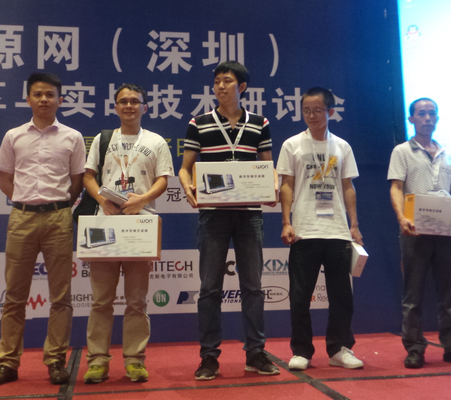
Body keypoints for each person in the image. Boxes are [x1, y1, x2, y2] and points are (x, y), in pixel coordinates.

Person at [178, 61, 280, 380]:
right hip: (213, 215)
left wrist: (273, 187)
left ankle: (255, 353)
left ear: (242, 87)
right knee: (209, 288)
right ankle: (209, 357)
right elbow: (185, 169)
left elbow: (268, 167)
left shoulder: (260, 123)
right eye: (217, 82)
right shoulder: (199, 123)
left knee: (253, 287)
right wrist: (188, 189)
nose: (220, 86)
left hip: (249, 214)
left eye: (227, 81)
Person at [0, 72, 85, 387]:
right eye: (38, 94)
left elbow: (77, 182)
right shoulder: (13, 136)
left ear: (60, 100)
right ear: (28, 99)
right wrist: (27, 201)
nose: (44, 100)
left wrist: (57, 205)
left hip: (58, 219)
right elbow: (5, 180)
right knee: (14, 296)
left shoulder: (73, 137)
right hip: (22, 218)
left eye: (50, 95)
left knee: (61, 296)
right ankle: (8, 363)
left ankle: (56, 360)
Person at [82, 84, 174, 384]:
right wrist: (102, 200)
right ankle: (97, 360)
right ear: (115, 107)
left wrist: (142, 199)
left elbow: (163, 180)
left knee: (137, 300)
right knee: (101, 300)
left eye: (135, 101)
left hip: (139, 225)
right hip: (105, 225)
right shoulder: (103, 139)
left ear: (144, 107)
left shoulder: (156, 141)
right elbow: (88, 176)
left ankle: (135, 360)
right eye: (123, 101)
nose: (129, 106)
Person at [388, 98, 451, 369]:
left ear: (437, 118)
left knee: (449, 294)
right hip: (415, 230)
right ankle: (415, 348)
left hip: (446, 230)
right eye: (421, 113)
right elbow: (396, 188)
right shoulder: (402, 151)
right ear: (411, 119)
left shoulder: (446, 153)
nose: (427, 118)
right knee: (413, 295)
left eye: (432, 113)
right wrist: (401, 217)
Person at [277, 87, 365, 371]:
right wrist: (287, 222)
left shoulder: (342, 146)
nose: (311, 116)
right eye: (306, 111)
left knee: (341, 296)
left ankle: (339, 349)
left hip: (337, 230)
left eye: (317, 110)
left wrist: (354, 225)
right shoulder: (292, 144)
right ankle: (301, 351)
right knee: (300, 296)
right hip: (304, 229)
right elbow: (286, 185)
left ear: (330, 112)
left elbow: (348, 187)